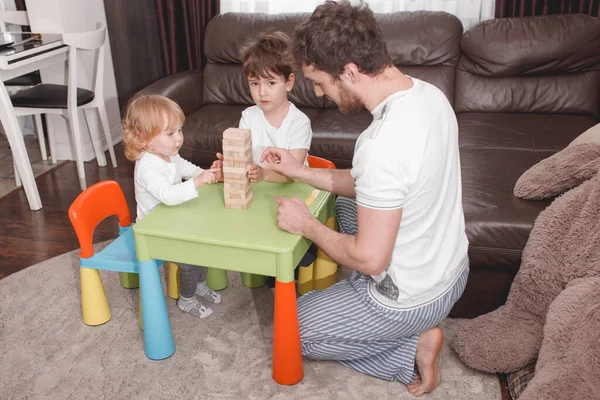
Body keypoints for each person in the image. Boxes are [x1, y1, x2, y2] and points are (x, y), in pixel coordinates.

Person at [259, 1, 469, 397]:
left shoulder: (381, 145)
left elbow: (372, 260)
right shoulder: (431, 97)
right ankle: (377, 315)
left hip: (410, 299)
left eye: (319, 81)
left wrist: (306, 224)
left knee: (289, 331)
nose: (318, 92)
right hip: (453, 273)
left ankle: (410, 350)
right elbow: (372, 184)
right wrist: (299, 170)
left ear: (351, 72)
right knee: (344, 203)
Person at [123, 94, 223, 319]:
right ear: (144, 139)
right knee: (191, 259)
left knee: (204, 244)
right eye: (170, 133)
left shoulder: (168, 155)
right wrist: (197, 183)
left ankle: (198, 284)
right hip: (154, 233)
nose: (178, 138)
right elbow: (167, 195)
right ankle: (186, 299)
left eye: (180, 130)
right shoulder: (148, 167)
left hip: (172, 222)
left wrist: (205, 174)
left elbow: (185, 167)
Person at [211, 31, 312, 183]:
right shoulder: (248, 117)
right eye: (254, 83)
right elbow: (244, 161)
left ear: (289, 82)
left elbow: (293, 173)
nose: (261, 92)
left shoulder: (300, 122)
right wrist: (230, 166)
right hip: (258, 188)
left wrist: (263, 174)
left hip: (295, 190)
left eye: (270, 83)